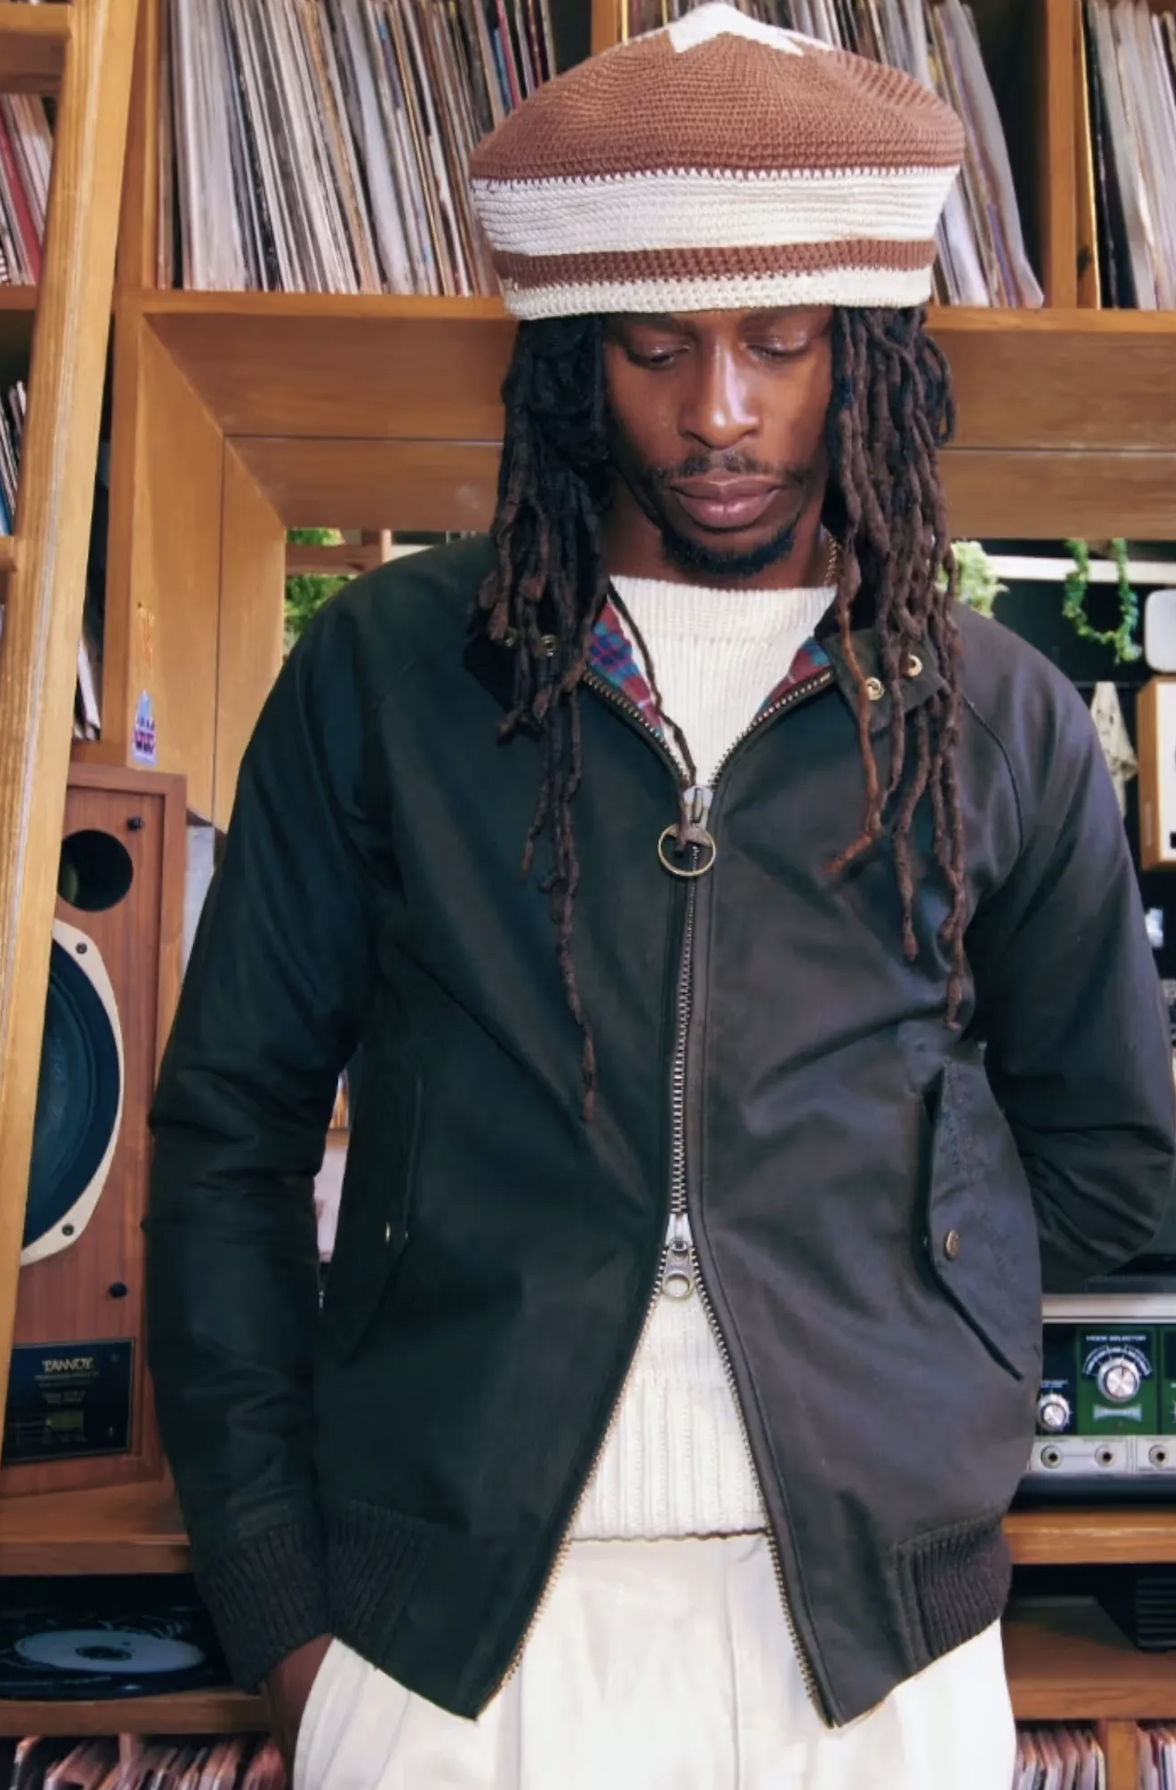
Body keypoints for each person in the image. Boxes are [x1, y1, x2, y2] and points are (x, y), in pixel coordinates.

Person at [144, 8, 1176, 1788]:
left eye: (780, 344)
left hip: (875, 1668)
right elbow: (228, 1132)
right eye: (653, 346)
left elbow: (1111, 1161)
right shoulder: (389, 673)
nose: (719, 411)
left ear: (866, 350)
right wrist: (285, 1617)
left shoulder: (995, 714)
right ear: (571, 359)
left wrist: (905, 1304)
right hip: (446, 1659)